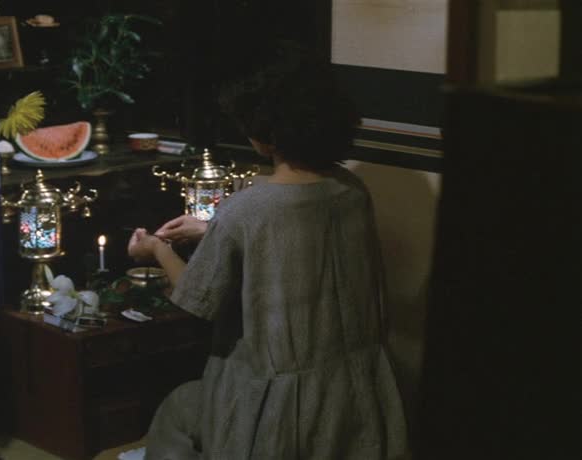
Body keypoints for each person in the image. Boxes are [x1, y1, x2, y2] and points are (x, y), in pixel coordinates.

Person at [127, 42, 409, 460]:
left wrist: (157, 250)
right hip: (351, 390)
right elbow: (295, 244)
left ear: (264, 135)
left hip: (277, 405)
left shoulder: (245, 210)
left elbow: (196, 299)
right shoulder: (351, 190)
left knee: (179, 407)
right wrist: (211, 231)